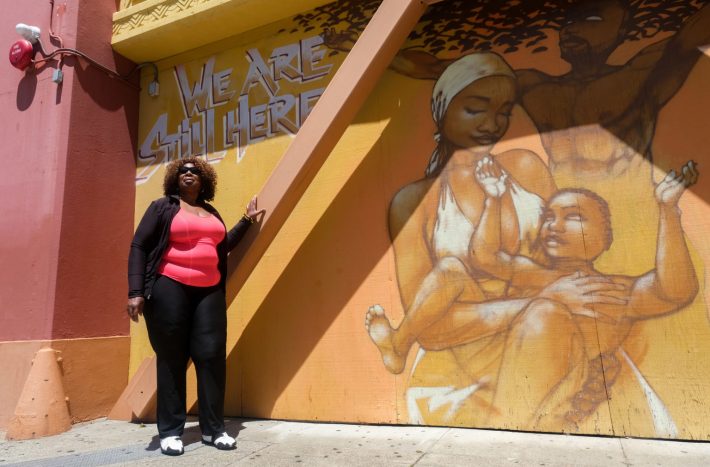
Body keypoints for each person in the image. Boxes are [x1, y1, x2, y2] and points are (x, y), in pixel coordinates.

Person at [469, 157, 699, 431]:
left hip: (564, 412)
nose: (555, 225)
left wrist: (668, 211)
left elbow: (675, 290)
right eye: (548, 217)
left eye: (574, 216)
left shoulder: (611, 291)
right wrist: (493, 199)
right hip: (508, 403)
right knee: (545, 312)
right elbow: (485, 257)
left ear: (605, 238)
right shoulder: (532, 275)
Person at [126, 156, 264, 456]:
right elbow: (139, 245)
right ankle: (171, 431)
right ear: (176, 178)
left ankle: (214, 429)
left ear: (204, 180)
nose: (188, 175)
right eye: (183, 171)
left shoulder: (211, 212)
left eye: (195, 172)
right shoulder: (162, 207)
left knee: (212, 355)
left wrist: (246, 220)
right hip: (169, 286)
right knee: (172, 357)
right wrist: (135, 291)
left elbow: (221, 246)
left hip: (209, 291)